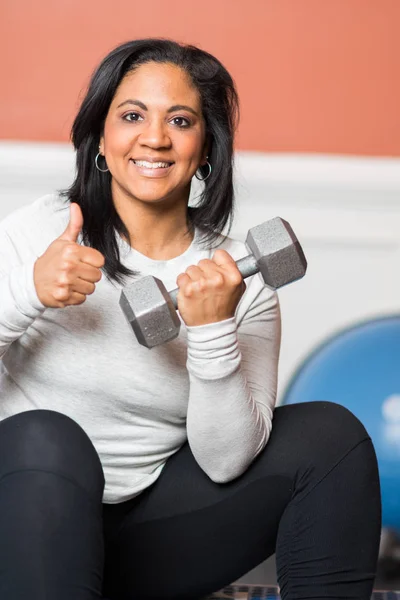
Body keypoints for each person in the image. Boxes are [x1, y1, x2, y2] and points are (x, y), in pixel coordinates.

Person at [0, 39, 381, 600]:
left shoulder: (236, 280)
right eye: (132, 116)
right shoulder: (41, 233)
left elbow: (225, 463)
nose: (154, 138)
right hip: (26, 523)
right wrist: (27, 294)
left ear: (206, 149)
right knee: (46, 437)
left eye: (180, 120)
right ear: (101, 138)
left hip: (145, 542)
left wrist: (211, 332)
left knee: (332, 437)